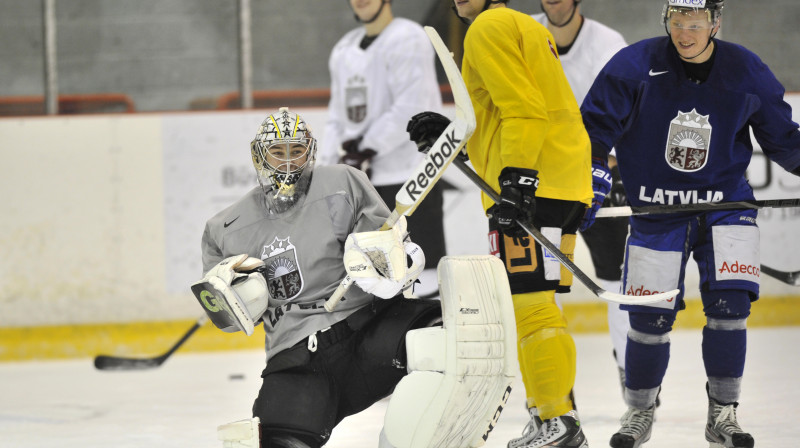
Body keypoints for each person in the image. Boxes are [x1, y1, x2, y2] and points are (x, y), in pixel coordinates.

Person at [190, 107, 518, 448]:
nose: (288, 163)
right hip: (298, 357)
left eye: (296, 151)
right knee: (280, 442)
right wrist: (232, 299)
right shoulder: (226, 229)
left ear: (310, 151)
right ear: (260, 156)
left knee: (447, 339)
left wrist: (389, 267)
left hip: (367, 331)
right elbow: (227, 318)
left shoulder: (343, 184)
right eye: (277, 151)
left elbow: (398, 254)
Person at [580, 1, 800, 447]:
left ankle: (723, 412)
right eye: (677, 23)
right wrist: (590, 170)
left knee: (730, 311)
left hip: (726, 206)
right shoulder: (633, 66)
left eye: (695, 24)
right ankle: (639, 412)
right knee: (647, 319)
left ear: (715, 24)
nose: (684, 33)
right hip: (658, 211)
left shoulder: (745, 70)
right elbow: (593, 129)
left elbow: (783, 139)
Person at [408, 1, 598, 446]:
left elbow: (525, 109)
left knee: (531, 308)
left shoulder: (488, 26)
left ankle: (558, 421)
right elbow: (506, 114)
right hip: (558, 179)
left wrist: (516, 180)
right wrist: (456, 135)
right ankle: (549, 416)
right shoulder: (520, 25)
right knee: (535, 306)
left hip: (537, 184)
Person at [531, 0, 634, 400]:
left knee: (615, 277)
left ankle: (630, 368)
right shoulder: (525, 34)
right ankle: (555, 390)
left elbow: (625, 111)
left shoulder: (608, 44)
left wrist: (603, 168)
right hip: (544, 182)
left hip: (600, 177)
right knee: (543, 287)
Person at [320, 0, 445, 298]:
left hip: (410, 181)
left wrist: (365, 147)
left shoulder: (409, 37)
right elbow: (336, 116)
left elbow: (412, 107)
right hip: (363, 186)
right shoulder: (343, 49)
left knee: (420, 275)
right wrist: (327, 168)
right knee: (374, 279)